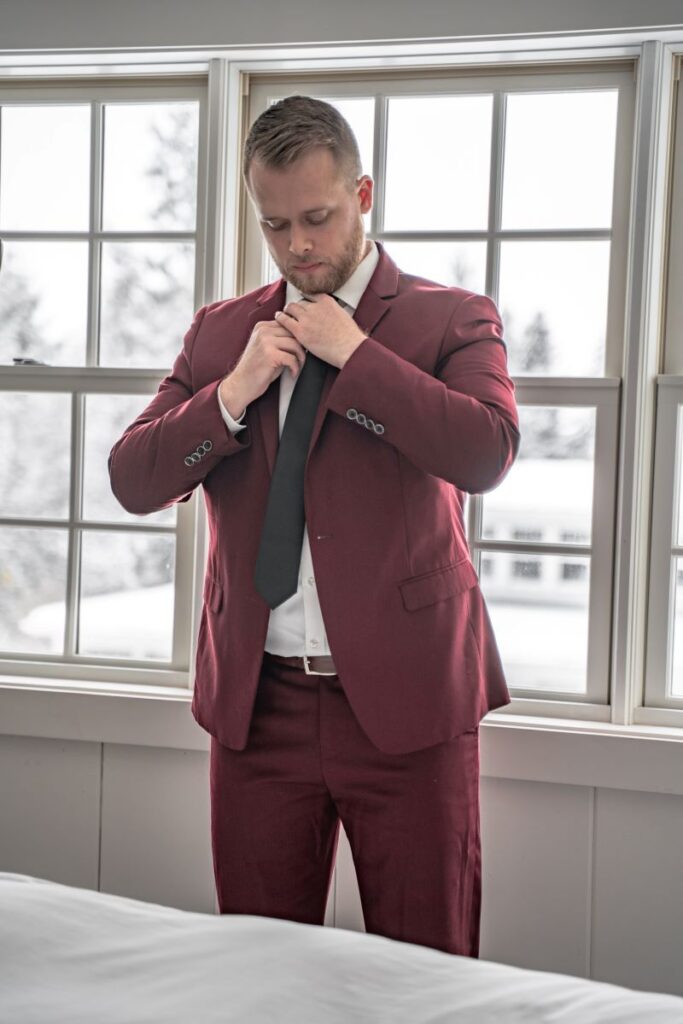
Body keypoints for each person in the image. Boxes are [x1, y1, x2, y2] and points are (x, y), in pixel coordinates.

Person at [108, 94, 520, 958]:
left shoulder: (452, 317)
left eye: (319, 217)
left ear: (363, 196)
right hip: (260, 709)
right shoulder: (222, 333)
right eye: (275, 224)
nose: (298, 245)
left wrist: (356, 357)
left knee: (427, 977)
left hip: (409, 707)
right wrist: (228, 396)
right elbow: (132, 479)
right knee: (257, 975)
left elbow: (484, 452)